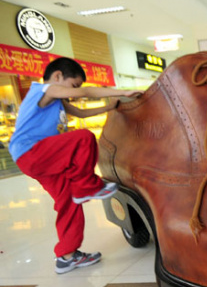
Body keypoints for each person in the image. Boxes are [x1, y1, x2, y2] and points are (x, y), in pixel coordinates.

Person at [8, 57, 142, 274]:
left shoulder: (57, 100)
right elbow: (86, 93)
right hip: (31, 152)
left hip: (39, 160)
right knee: (83, 138)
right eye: (74, 85)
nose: (74, 91)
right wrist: (123, 91)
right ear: (58, 76)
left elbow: (81, 113)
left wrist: (110, 107)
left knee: (68, 201)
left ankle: (67, 256)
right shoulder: (46, 89)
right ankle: (86, 186)